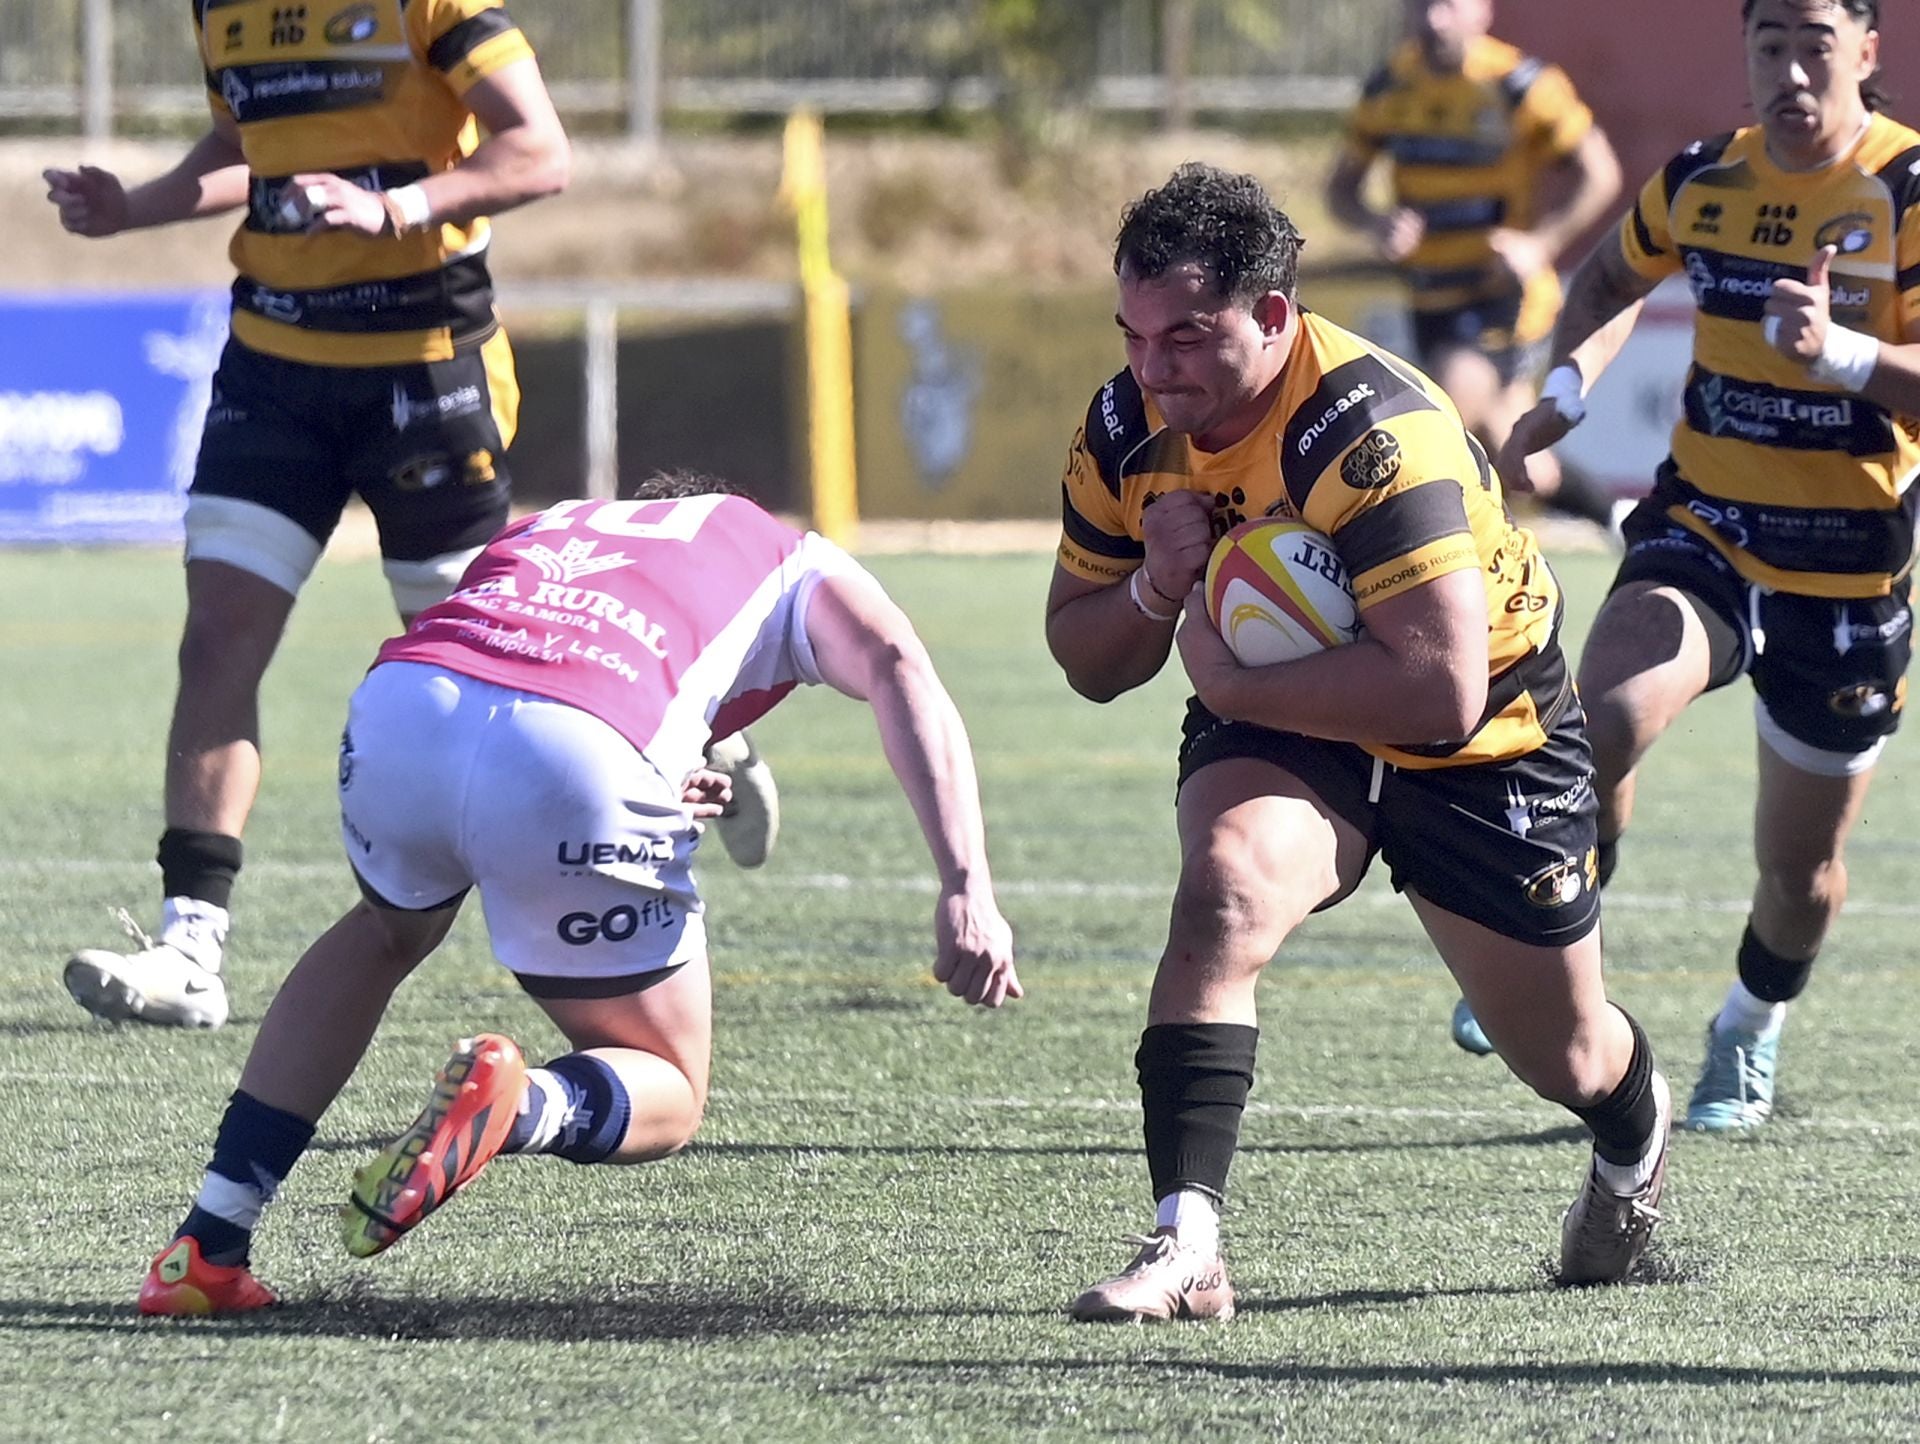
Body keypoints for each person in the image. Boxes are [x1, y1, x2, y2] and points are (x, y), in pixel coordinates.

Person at [136, 474, 1021, 1315]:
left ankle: (207, 1246)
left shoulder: (560, 521)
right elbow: (896, 660)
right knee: (670, 1085)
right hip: (578, 744)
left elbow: (555, 656)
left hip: (405, 708)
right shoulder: (786, 552)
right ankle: (517, 1108)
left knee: (385, 932)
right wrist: (965, 885)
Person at [1047, 163, 1670, 1323]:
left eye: (1188, 334)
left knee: (1569, 1056)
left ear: (1275, 315)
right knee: (1223, 895)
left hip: (1490, 734)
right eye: (1133, 334)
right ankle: (1187, 1239)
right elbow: (1082, 655)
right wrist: (1151, 590)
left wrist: (1227, 672)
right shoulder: (1128, 428)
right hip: (1285, 710)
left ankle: (1635, 1137)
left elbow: (1435, 692)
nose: (1154, 366)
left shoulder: (1373, 429)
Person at [1492, 0, 1916, 1132]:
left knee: (1799, 876)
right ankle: (1553, 935)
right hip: (1709, 529)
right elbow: (1603, 285)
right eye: (1769, 42)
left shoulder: (1907, 187)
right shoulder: (1698, 179)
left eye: (1815, 42)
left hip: (1848, 570)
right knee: (1602, 713)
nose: (1790, 69)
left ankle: (1751, 1024)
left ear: (1866, 51)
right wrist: (1568, 389)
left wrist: (1844, 354)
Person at [1327, 0, 1625, 574]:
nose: (1434, 19)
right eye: (1420, 6)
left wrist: (1539, 243)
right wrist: (1375, 223)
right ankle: (1620, 518)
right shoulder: (1389, 87)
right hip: (1430, 298)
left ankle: (1422, 569)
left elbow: (1602, 171)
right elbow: (1342, 190)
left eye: (1448, 4)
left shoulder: (1520, 84)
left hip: (1503, 297)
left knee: (1443, 413)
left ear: (1483, 10)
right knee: (1515, 456)